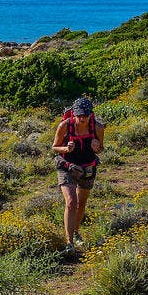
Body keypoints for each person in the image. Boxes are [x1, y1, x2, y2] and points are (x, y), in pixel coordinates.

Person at [52, 97, 104, 255]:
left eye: (85, 115)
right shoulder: (65, 126)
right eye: (79, 115)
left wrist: (97, 148)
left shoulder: (98, 127)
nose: (82, 118)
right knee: (71, 202)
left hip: (88, 168)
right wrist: (66, 149)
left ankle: (75, 231)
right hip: (67, 167)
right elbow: (54, 147)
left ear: (90, 114)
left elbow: (101, 149)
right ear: (73, 114)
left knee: (81, 203)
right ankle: (69, 243)